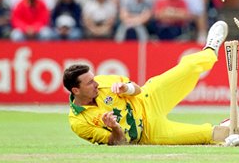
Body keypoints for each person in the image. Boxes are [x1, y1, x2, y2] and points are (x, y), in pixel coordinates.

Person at [63, 21, 228, 145]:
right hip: (149, 133)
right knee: (206, 134)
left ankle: (211, 49)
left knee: (190, 66)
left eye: (94, 79)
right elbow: (119, 143)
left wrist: (126, 88)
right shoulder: (79, 122)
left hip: (150, 98)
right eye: (90, 83)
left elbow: (137, 90)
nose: (96, 84)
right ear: (76, 90)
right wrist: (114, 127)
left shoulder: (103, 81)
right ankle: (230, 128)